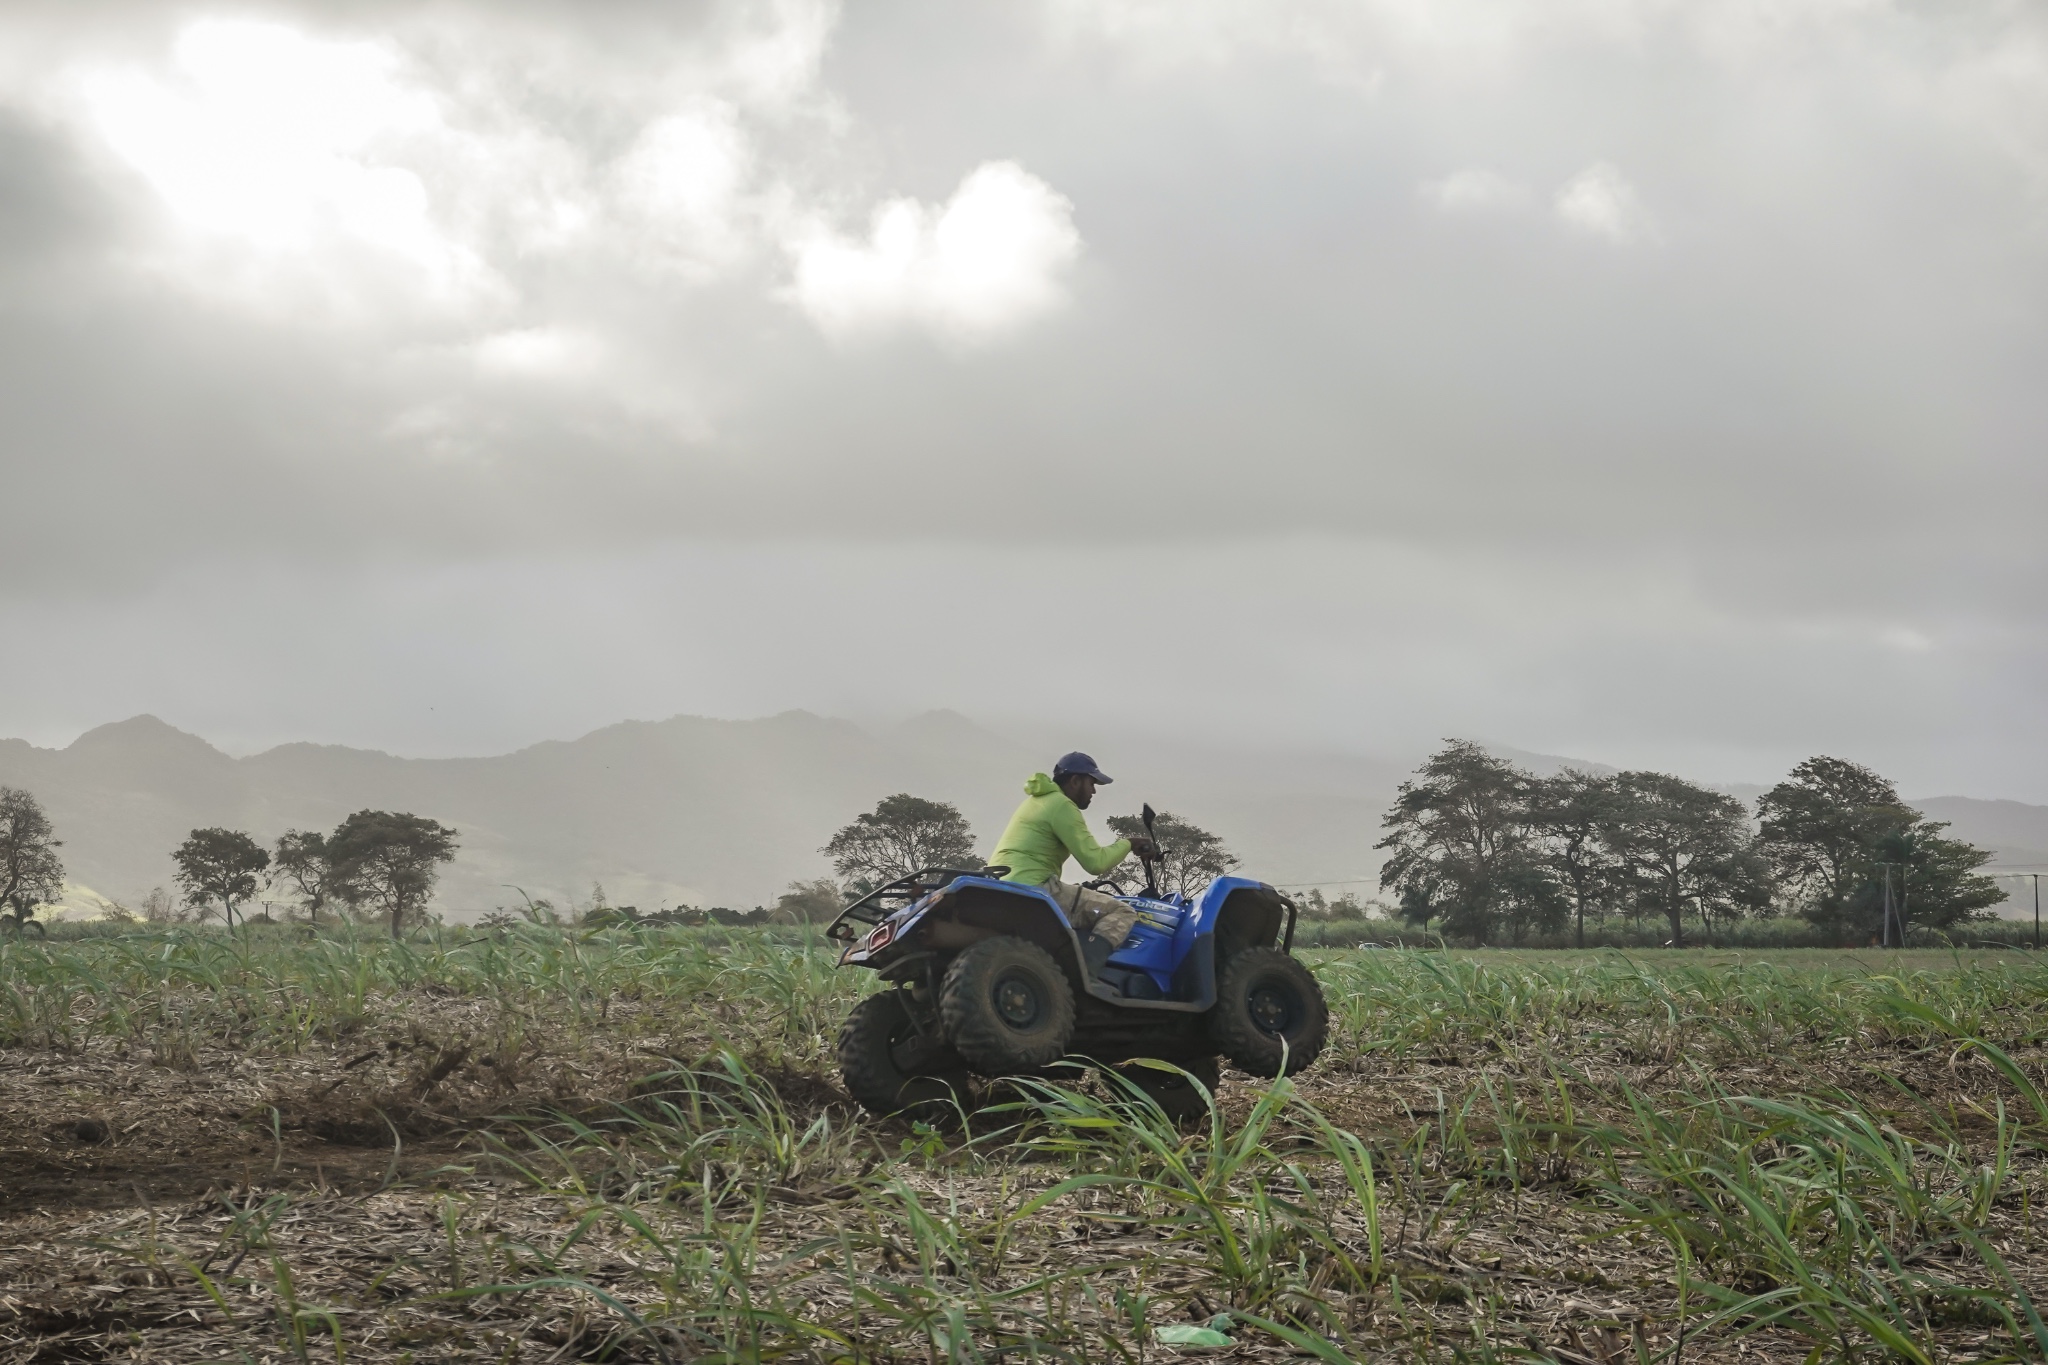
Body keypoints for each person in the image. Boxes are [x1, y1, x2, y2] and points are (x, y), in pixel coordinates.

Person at [987, 751, 1160, 984]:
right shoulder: (1062, 806)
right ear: (1075, 781)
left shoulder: (1036, 802)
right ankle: (1084, 977)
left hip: (1003, 885)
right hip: (1035, 888)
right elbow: (1095, 862)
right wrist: (1128, 843)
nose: (1094, 791)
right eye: (1092, 783)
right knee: (1121, 911)